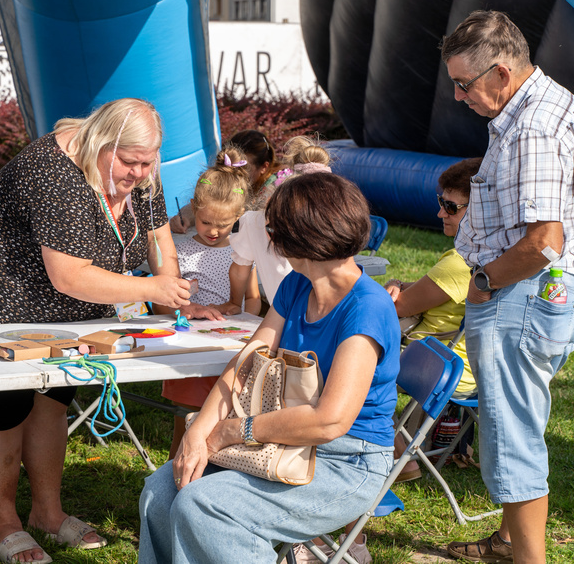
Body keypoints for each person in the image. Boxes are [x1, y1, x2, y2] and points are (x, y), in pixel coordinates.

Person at [0, 98, 221, 564]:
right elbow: (69, 275)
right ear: (102, 143)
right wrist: (149, 285)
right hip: (1, 288)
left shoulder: (140, 169)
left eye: (147, 163)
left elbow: (159, 239)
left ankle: (48, 514)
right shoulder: (52, 171)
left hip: (72, 296)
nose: (139, 173)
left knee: (55, 397)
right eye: (131, 163)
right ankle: (3, 525)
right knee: (6, 404)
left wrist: (174, 293)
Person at [138, 172, 400, 564]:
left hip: (346, 461)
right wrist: (200, 432)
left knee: (206, 506)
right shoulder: (299, 283)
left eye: (274, 229)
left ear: (303, 238)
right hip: (286, 439)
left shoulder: (366, 308)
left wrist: (237, 430)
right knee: (161, 490)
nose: (269, 237)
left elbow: (330, 421)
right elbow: (246, 361)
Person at [440, 11, 574, 563]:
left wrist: (482, 279)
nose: (459, 96)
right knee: (515, 422)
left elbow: (544, 242)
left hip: (522, 296)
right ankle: (509, 543)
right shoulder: (537, 107)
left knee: (512, 437)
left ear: (502, 74)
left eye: (464, 84)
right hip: (537, 296)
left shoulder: (532, 125)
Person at [382, 157, 481, 485]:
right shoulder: (487, 255)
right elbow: (422, 289)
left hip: (439, 366)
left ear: (479, 211)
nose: (441, 212)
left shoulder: (459, 262)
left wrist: (395, 289)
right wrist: (402, 287)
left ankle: (398, 455)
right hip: (464, 364)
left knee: (346, 364)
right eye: (441, 203)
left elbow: (393, 308)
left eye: (451, 207)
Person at [162, 145, 261, 459]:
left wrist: (240, 319)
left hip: (232, 349)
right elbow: (162, 303)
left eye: (224, 224)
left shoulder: (244, 251)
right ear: (193, 209)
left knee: (228, 417)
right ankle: (176, 468)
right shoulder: (179, 249)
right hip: (190, 348)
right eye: (206, 223)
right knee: (188, 419)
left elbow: (254, 300)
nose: (215, 232)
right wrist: (186, 311)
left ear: (239, 216)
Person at [226, 135, 331, 314]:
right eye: (271, 227)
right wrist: (235, 303)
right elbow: (239, 268)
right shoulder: (253, 223)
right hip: (286, 319)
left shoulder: (323, 225)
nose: (277, 237)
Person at [169, 129, 285, 233]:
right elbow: (209, 199)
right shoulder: (234, 176)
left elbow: (255, 221)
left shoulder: (277, 186)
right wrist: (184, 216)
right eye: (231, 164)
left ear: (264, 167)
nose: (234, 171)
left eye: (244, 167)